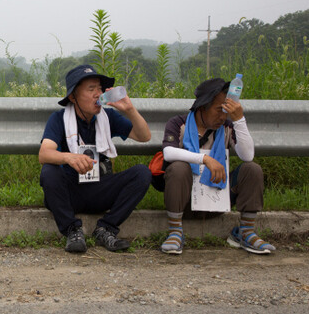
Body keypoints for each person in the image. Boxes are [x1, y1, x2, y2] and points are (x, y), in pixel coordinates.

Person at [39, 64, 152, 253]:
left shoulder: (107, 117)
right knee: (49, 171)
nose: (97, 94)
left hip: (100, 187)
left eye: (99, 88)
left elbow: (144, 136)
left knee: (142, 173)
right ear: (73, 96)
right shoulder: (59, 118)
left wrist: (130, 110)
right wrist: (69, 158)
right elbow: (44, 153)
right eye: (91, 89)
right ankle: (72, 230)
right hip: (70, 193)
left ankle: (106, 228)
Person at [160, 78, 275, 255]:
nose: (223, 116)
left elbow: (247, 155)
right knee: (178, 168)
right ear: (202, 107)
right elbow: (168, 152)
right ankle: (175, 232)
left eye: (226, 111)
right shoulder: (178, 124)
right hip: (184, 203)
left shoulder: (227, 127)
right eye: (218, 110)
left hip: (217, 199)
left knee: (252, 169)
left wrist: (239, 119)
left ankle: (246, 232)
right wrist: (206, 159)